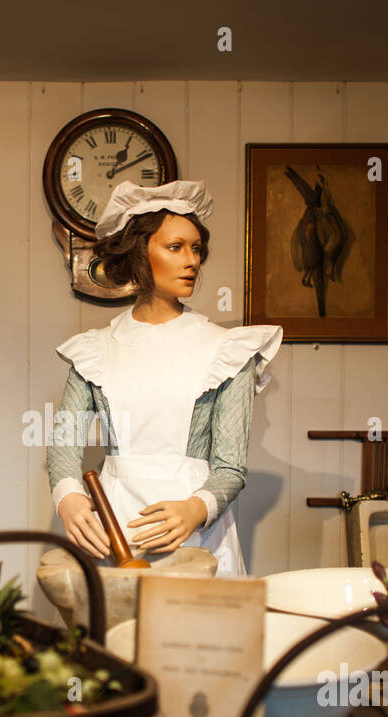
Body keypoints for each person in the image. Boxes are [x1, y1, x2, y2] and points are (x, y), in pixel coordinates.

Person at [46, 180, 281, 576]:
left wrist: (197, 508)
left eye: (196, 248)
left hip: (198, 536)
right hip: (115, 528)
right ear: (141, 253)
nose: (192, 261)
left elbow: (230, 467)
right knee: (118, 635)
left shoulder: (227, 350)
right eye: (175, 247)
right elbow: (65, 443)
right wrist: (68, 497)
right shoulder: (94, 350)